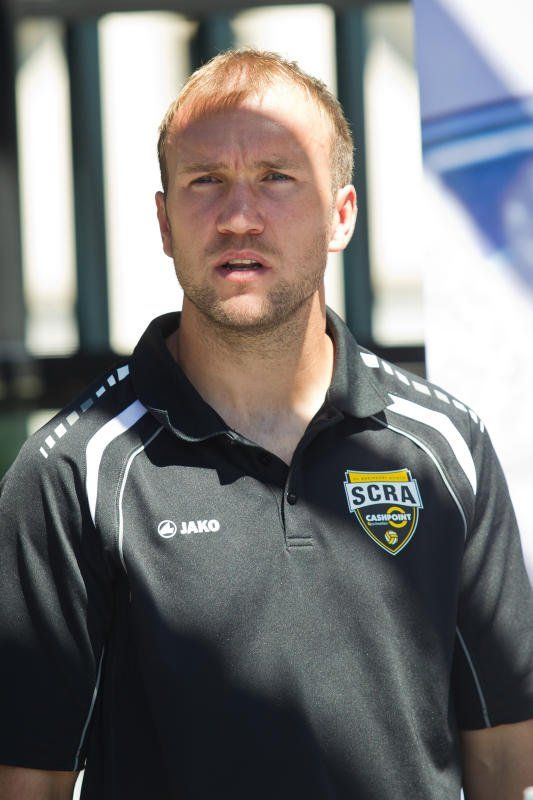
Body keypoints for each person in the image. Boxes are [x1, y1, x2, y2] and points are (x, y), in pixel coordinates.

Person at [0, 48, 532, 800]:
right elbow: (29, 781)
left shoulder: (445, 446)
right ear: (164, 221)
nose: (238, 217)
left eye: (276, 177)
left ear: (340, 215)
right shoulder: (71, 472)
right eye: (205, 181)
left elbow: (505, 762)